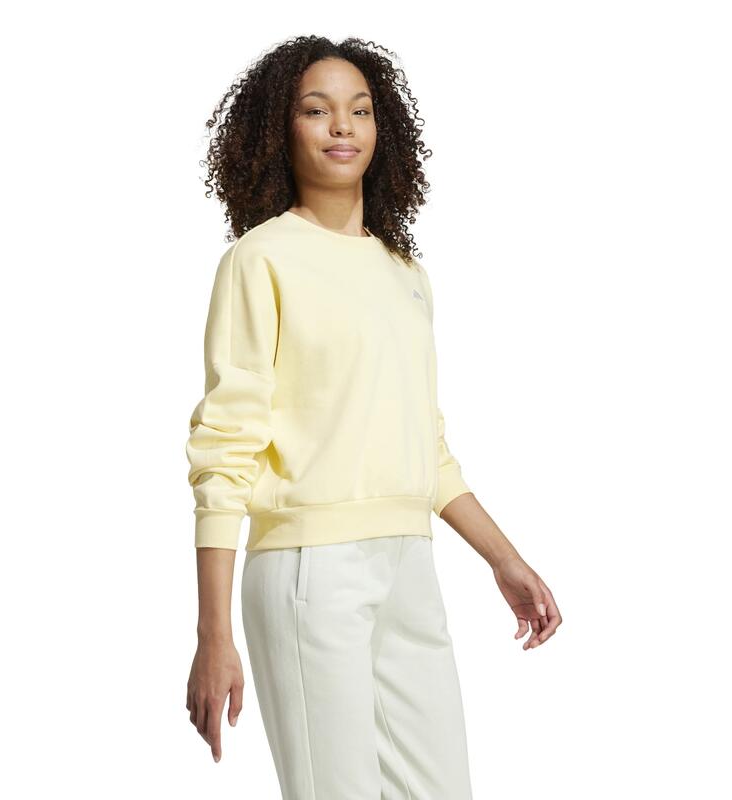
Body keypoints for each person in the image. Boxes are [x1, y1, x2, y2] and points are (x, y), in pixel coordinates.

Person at [185, 36, 562, 799]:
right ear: (280, 128)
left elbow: (424, 445)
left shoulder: (403, 273)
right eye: (316, 110)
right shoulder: (261, 259)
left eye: (359, 110)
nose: (341, 127)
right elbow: (225, 447)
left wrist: (504, 559)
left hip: (408, 565)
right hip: (308, 571)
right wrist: (213, 632)